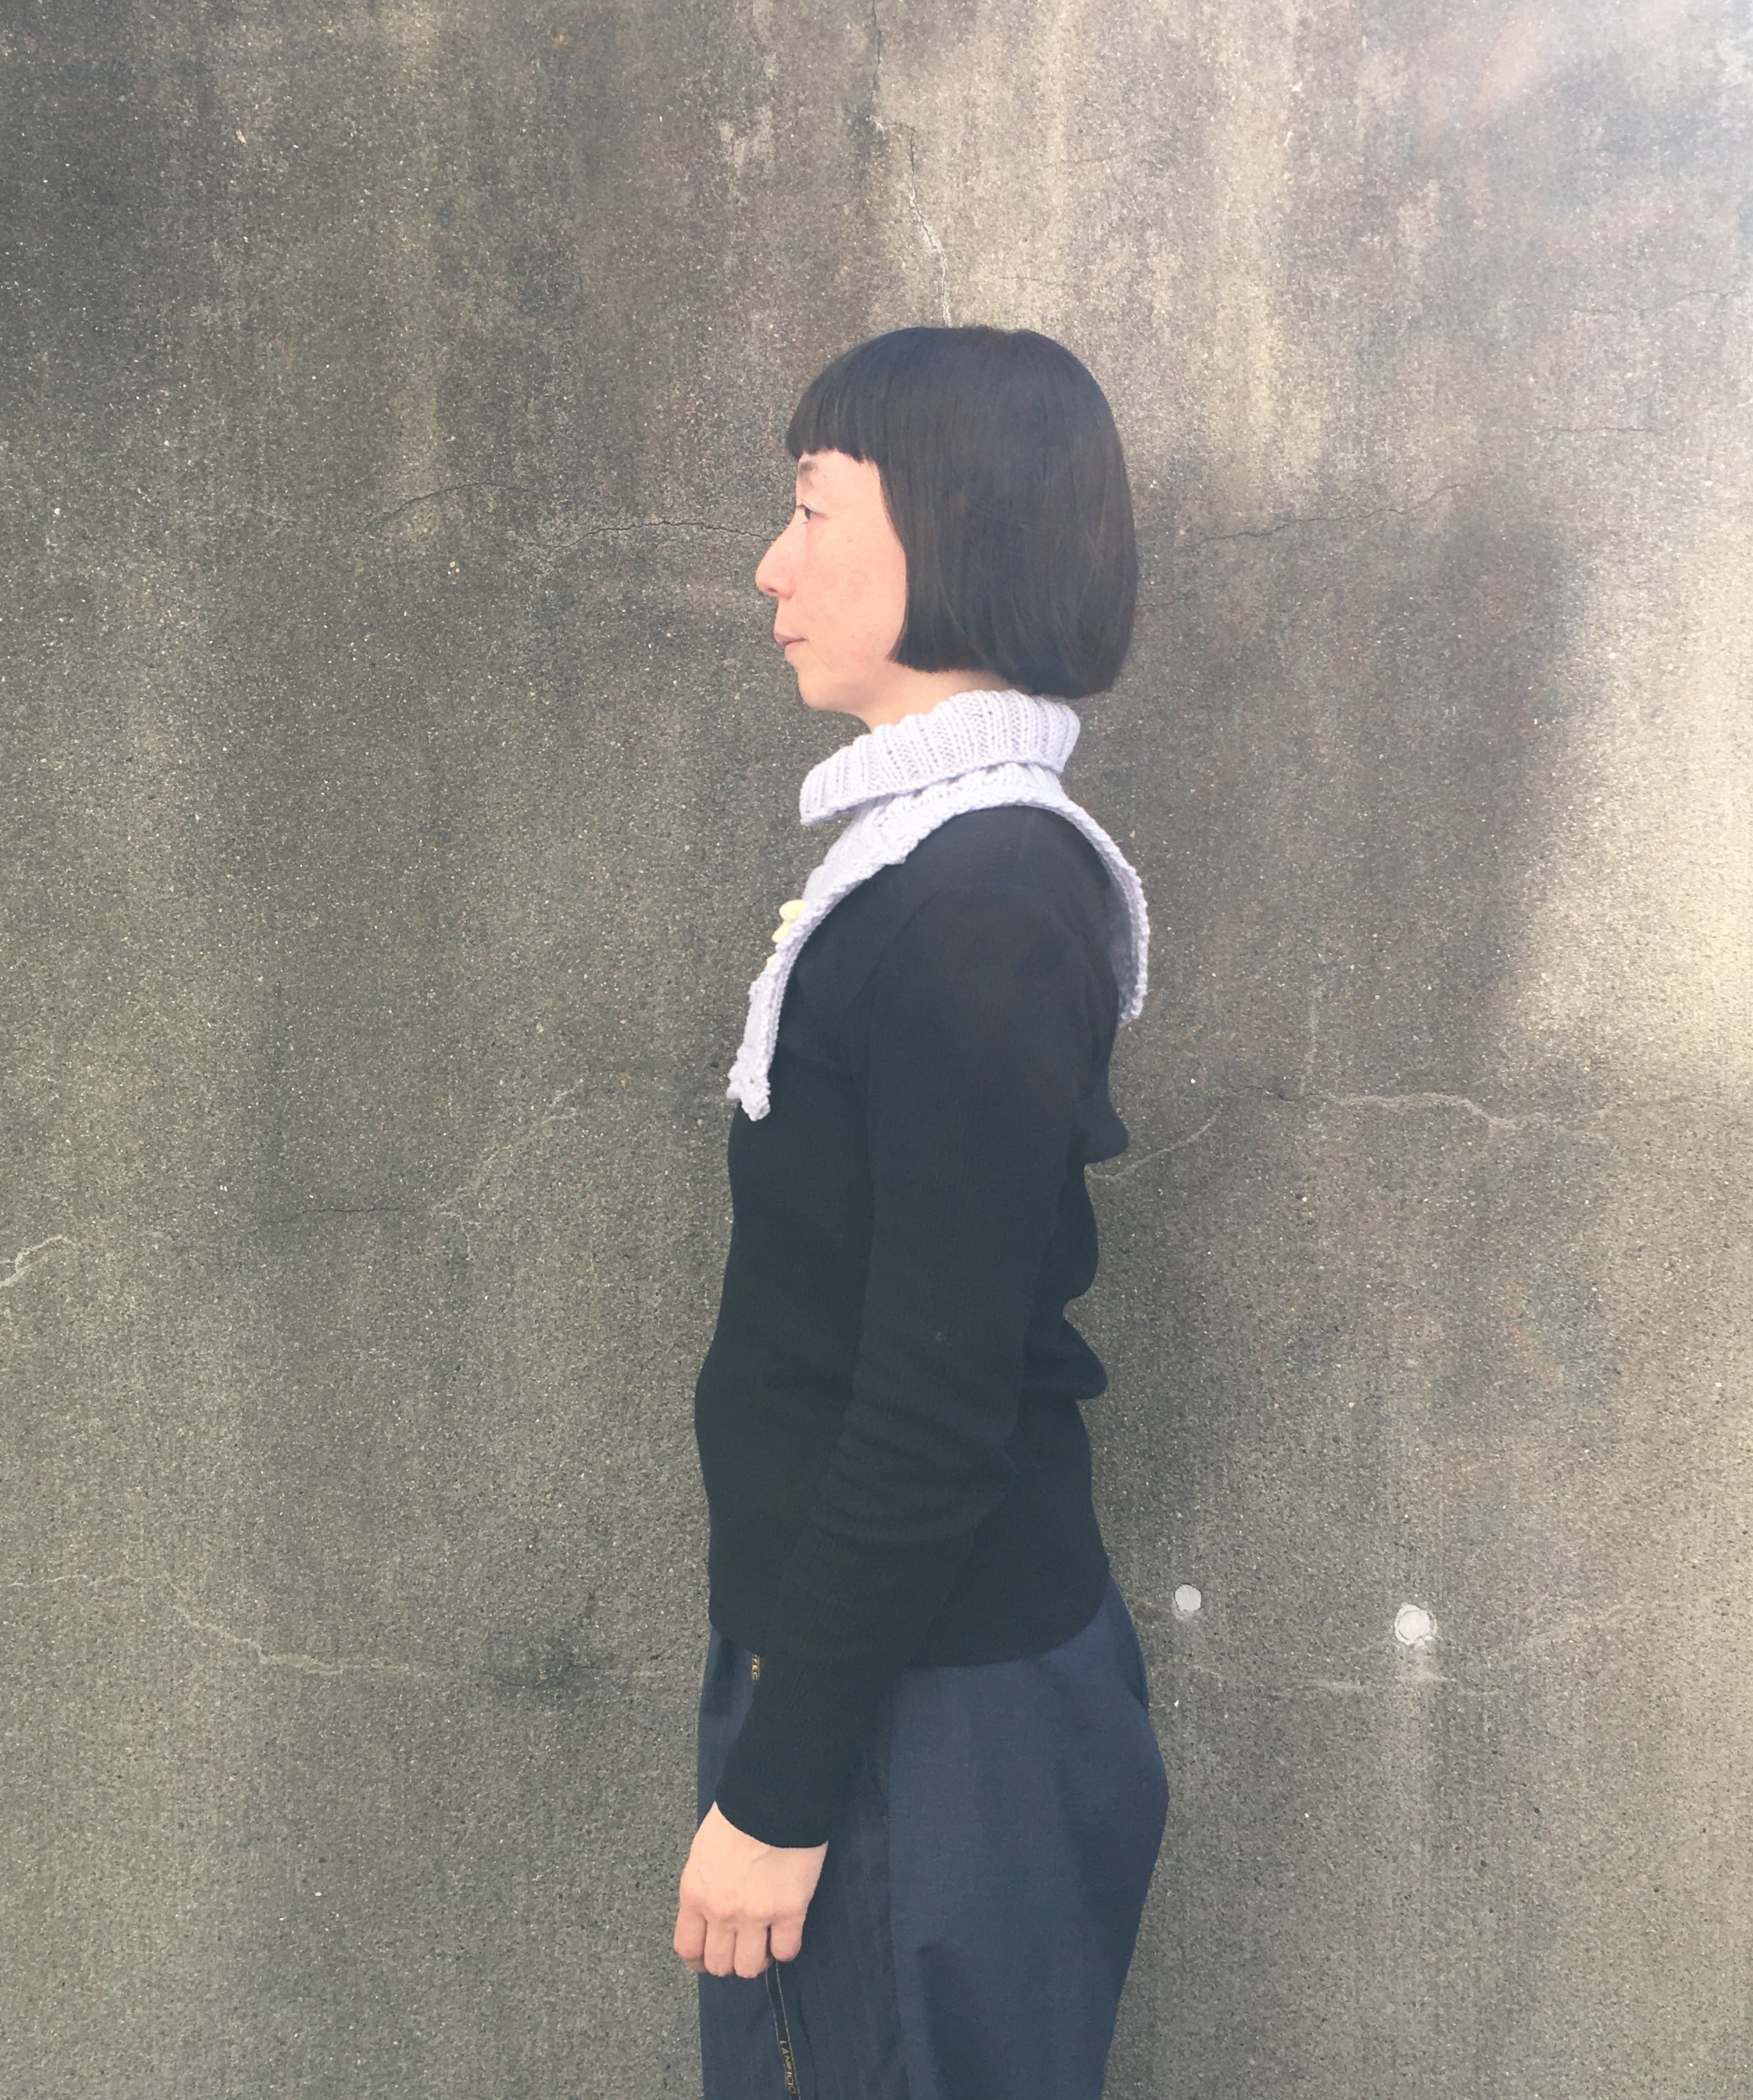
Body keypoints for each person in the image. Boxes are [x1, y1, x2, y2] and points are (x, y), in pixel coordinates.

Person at [675, 324, 1168, 2100]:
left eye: (813, 510)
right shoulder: (929, 863)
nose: (771, 565)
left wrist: (782, 1791)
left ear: (954, 526)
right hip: (876, 1675)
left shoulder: (986, 903)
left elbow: (936, 1406)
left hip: (927, 1714)